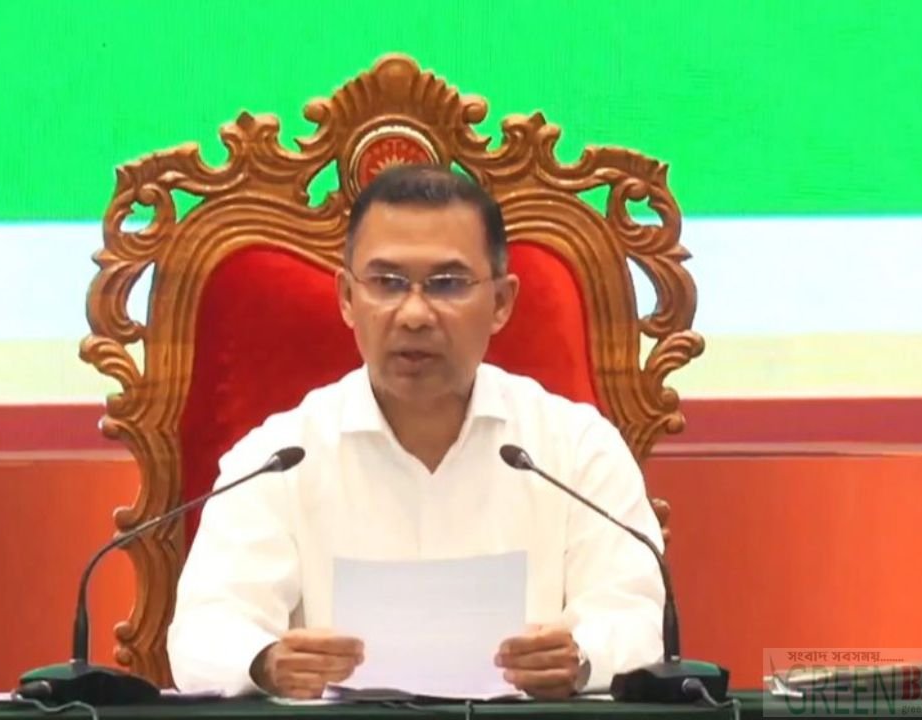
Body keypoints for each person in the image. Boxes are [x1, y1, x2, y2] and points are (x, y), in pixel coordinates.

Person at [167, 164, 665, 700]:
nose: (414, 314)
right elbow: (204, 632)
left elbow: (635, 618)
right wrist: (266, 663)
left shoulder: (576, 448)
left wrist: (580, 657)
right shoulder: (277, 460)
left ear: (501, 302)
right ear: (346, 297)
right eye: (387, 283)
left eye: (447, 284)